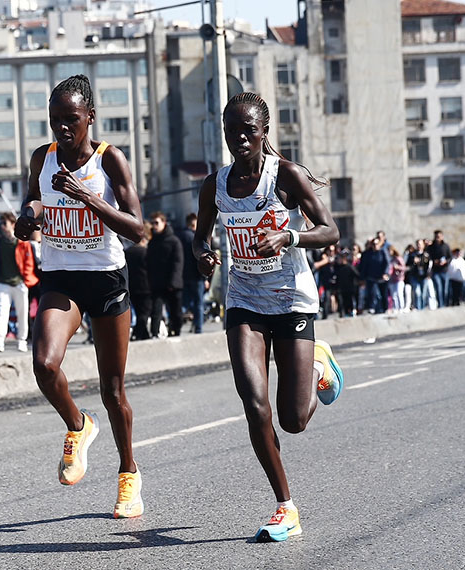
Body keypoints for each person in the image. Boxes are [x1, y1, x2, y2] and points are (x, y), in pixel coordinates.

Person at [192, 92, 343, 542]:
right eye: (231, 131)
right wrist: (203, 256)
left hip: (292, 301)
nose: (240, 138)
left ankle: (319, 362)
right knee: (253, 402)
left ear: (264, 132)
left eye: (249, 130)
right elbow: (200, 238)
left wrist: (288, 237)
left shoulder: (286, 176)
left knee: (293, 420)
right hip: (243, 301)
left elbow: (331, 231)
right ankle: (285, 506)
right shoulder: (214, 185)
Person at [13, 74, 146, 518]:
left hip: (106, 278)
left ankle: (128, 475)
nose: (63, 129)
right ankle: (77, 424)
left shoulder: (110, 161)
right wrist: (27, 217)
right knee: (44, 364)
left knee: (113, 389)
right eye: (55, 120)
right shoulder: (43, 158)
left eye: (71, 119)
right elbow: (35, 198)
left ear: (90, 117)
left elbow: (137, 230)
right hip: (61, 277)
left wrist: (88, 199)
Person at [0, 213, 38, 352]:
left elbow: (29, 262)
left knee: (23, 312)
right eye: (1, 224)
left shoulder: (22, 242)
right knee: (1, 310)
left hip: (20, 282)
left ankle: (22, 340)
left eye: (5, 224)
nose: (2, 227)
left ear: (12, 224)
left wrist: (26, 281)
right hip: (3, 283)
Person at [146, 211, 184, 337]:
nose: (154, 226)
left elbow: (178, 263)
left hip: (172, 284)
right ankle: (155, 333)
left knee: (175, 311)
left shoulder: (174, 241)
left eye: (156, 223)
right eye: (152, 223)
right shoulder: (152, 242)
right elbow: (148, 263)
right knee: (156, 310)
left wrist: (173, 282)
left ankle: (176, 330)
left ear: (164, 223)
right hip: (157, 283)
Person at [177, 213, 206, 333]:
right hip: (197, 276)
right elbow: (201, 259)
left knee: (184, 303)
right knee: (198, 303)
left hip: (183, 276)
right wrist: (204, 278)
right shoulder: (196, 239)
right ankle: (198, 328)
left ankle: (176, 324)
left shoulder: (179, 236)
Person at [124, 223, 152, 340]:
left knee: (139, 311)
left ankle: (144, 334)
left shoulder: (127, 252)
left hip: (132, 286)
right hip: (146, 286)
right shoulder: (146, 253)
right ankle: (137, 333)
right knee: (145, 313)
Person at [428, 230, 451, 308]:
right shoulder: (431, 247)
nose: (438, 238)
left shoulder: (446, 246)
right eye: (436, 236)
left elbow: (450, 257)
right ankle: (440, 305)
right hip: (436, 271)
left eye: (439, 236)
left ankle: (445, 304)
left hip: (444, 271)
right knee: (438, 288)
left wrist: (445, 262)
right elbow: (428, 258)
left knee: (445, 290)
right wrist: (435, 262)